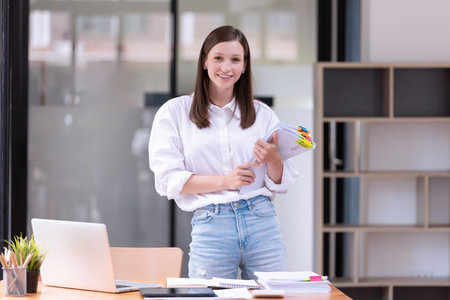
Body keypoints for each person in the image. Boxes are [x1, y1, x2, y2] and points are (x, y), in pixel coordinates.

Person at [148, 25, 298, 280]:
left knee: (275, 296)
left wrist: (274, 160)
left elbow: (281, 184)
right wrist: (225, 181)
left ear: (244, 66)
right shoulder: (174, 113)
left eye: (235, 60)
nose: (226, 67)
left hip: (261, 221)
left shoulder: (262, 114)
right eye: (218, 58)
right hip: (212, 224)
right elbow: (167, 180)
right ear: (204, 61)